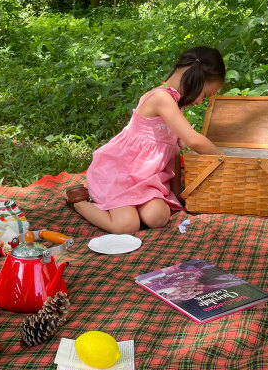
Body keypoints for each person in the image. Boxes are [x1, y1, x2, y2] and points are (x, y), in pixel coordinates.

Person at [65, 46, 226, 234]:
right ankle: (79, 202)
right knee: (127, 225)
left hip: (145, 177)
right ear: (197, 78)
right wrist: (225, 159)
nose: (199, 102)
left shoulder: (175, 104)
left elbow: (173, 150)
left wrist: (176, 191)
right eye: (204, 95)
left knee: (158, 217)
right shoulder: (161, 98)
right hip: (120, 172)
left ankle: (131, 206)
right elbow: (193, 140)